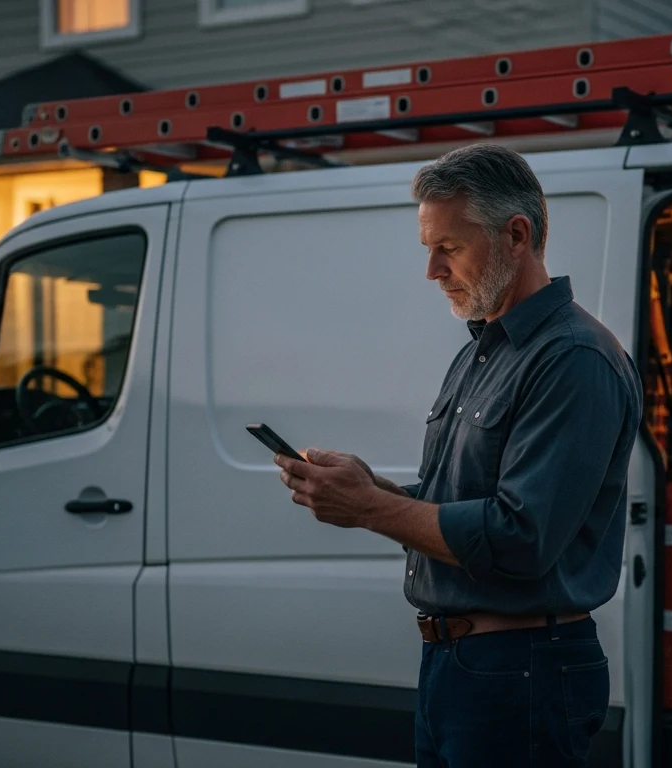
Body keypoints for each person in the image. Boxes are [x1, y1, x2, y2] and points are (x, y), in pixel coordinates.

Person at [271, 143, 642, 766]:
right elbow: (460, 508)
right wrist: (374, 489)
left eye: (449, 247)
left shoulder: (573, 359)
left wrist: (367, 510)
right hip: (465, 668)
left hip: (521, 671)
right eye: (429, 250)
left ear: (516, 235)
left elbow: (520, 536)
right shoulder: (484, 350)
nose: (433, 271)